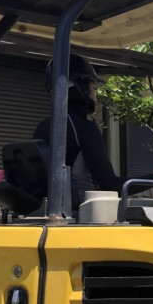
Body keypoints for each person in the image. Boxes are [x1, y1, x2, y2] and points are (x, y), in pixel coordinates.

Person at [33, 54, 125, 204]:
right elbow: (110, 184)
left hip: (48, 210)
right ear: (79, 87)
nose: (94, 95)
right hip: (84, 212)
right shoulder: (84, 128)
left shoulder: (43, 127)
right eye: (92, 87)